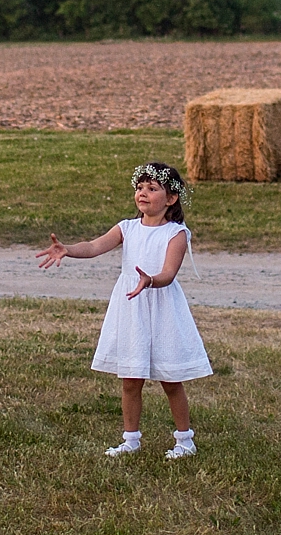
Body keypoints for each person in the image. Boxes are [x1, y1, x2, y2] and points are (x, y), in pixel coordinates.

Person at [35, 161, 211, 459]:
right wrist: (69, 249)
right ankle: (131, 439)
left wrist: (150, 280)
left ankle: (185, 440)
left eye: (152, 188)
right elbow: (93, 246)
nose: (143, 193)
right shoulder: (126, 228)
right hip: (132, 309)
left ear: (171, 199)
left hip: (161, 307)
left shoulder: (176, 234)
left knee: (170, 379)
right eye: (140, 187)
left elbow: (168, 273)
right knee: (130, 379)